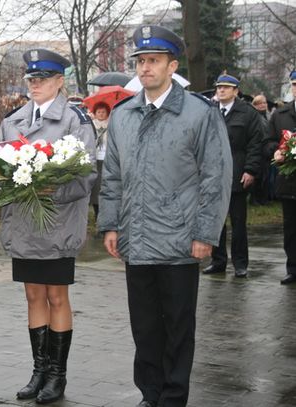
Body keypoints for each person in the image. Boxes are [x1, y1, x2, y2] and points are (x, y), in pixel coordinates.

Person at [98, 25, 232, 407]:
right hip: (136, 241)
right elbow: (114, 175)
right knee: (144, 328)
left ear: (172, 66)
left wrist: (205, 233)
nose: (145, 68)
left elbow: (216, 177)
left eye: (153, 61)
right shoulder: (123, 115)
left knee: (177, 327)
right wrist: (109, 223)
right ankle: (150, 393)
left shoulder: (199, 114)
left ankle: (173, 396)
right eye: (140, 61)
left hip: (179, 240)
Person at [0, 48, 97, 404]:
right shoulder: (13, 121)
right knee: (32, 295)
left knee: (57, 296)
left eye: (42, 80)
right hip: (25, 225)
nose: (35, 85)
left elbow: (86, 176)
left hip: (56, 224)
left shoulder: (75, 121)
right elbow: (1, 166)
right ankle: (38, 370)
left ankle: (57, 375)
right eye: (31, 80)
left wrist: (51, 187)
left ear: (60, 82)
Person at [202, 74, 263, 278]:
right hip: (213, 174)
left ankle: (240, 263)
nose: (221, 90)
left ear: (236, 91)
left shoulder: (247, 113)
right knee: (216, 221)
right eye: (219, 87)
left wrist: (251, 170)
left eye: (226, 87)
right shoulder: (209, 111)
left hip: (237, 173)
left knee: (238, 223)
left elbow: (256, 144)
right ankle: (218, 261)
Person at [265, 70, 296, 285]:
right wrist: (276, 151)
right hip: (290, 183)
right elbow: (267, 142)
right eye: (294, 84)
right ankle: (293, 268)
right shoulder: (280, 115)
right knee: (291, 229)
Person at [89, 102, 110, 221]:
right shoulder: (91, 126)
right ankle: (97, 213)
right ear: (95, 113)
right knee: (95, 188)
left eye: (103, 112)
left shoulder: (111, 125)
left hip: (107, 160)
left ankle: (105, 213)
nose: (101, 114)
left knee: (105, 187)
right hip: (95, 159)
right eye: (99, 112)